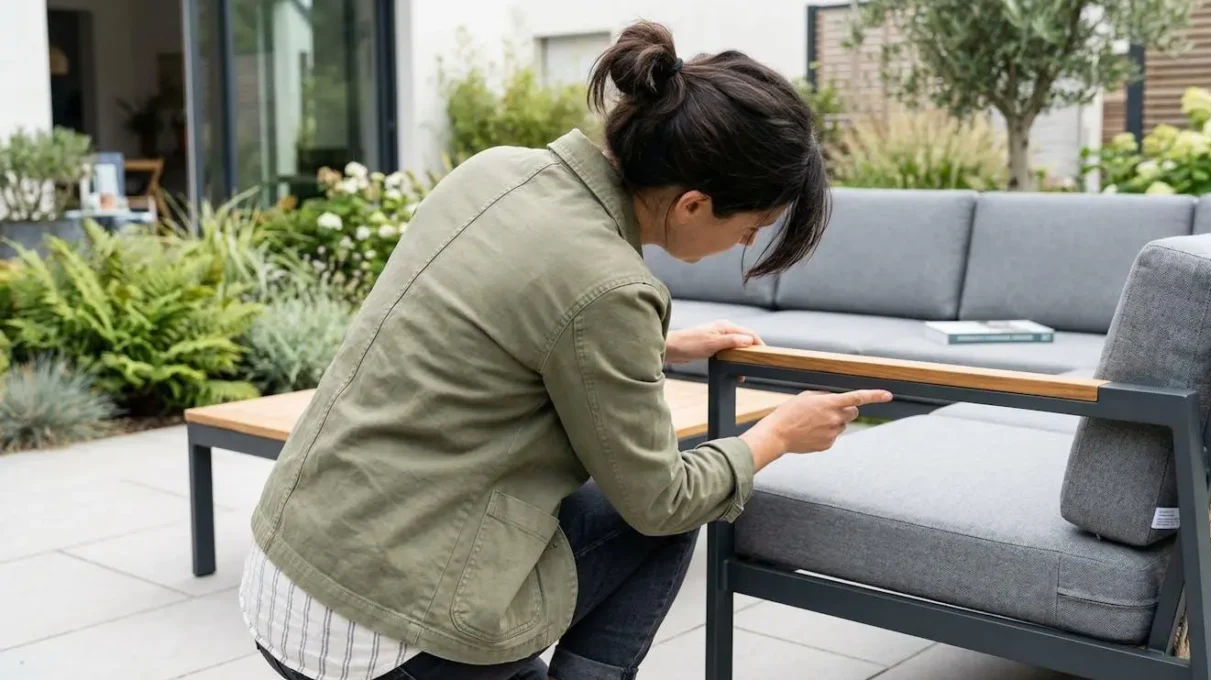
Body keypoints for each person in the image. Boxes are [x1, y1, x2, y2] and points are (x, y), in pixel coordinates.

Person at [240, 19, 891, 680]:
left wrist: (653, 347)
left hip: (287, 572)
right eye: (751, 230)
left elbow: (492, 324)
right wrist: (775, 434)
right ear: (693, 204)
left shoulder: (495, 172)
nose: (742, 247)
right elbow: (658, 499)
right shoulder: (610, 287)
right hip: (387, 635)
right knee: (674, 510)